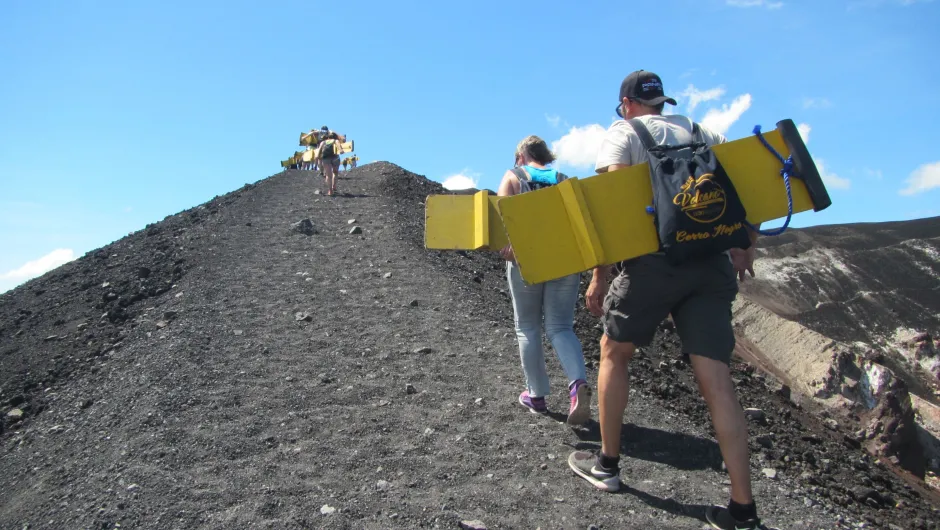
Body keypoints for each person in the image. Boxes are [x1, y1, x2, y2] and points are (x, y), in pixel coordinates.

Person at [565, 70, 766, 530]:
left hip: (655, 263)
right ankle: (743, 510)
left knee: (615, 353)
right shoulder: (700, 130)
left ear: (626, 104)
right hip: (711, 260)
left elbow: (615, 211)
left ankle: (608, 466)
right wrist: (745, 242)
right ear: (661, 101)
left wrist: (600, 275)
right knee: (716, 378)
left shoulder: (623, 134)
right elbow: (745, 187)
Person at [497, 135, 591, 427]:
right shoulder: (564, 179)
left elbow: (502, 212)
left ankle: (536, 395)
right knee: (560, 326)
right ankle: (577, 386)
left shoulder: (514, 176)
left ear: (521, 155)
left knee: (527, 326)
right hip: (565, 259)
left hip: (527, 258)